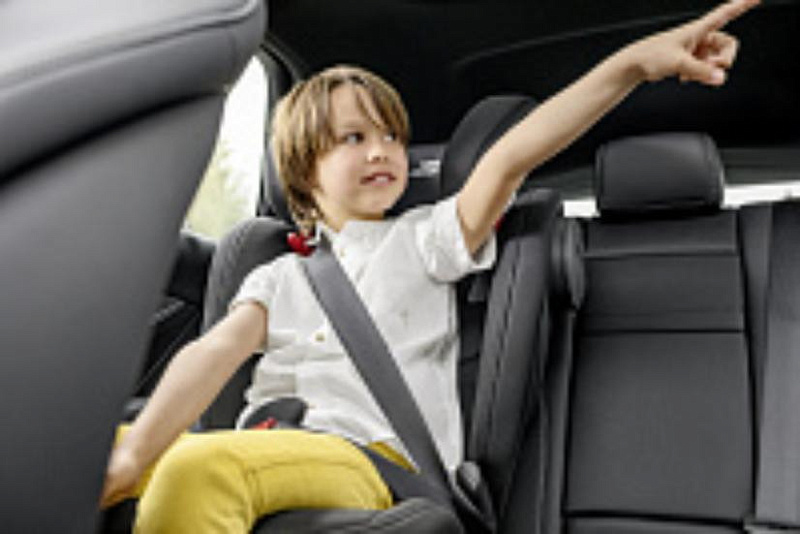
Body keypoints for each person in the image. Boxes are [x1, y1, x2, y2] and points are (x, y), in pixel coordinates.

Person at [101, 0, 759, 531]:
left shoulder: (425, 239)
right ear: (302, 171)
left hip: (367, 459)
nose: (382, 150)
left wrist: (632, 67)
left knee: (201, 471)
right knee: (85, 456)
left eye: (391, 134)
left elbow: (511, 158)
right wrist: (131, 451)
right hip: (269, 443)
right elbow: (213, 353)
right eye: (353, 137)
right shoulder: (277, 274)